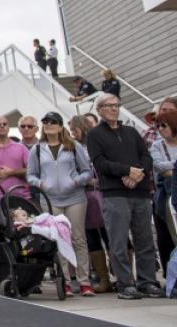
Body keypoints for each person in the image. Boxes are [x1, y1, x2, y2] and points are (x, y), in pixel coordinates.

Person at [86, 93, 163, 299]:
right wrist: (127, 171)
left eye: (116, 105)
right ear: (99, 110)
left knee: (145, 240)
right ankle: (125, 283)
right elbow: (100, 162)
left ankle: (148, 281)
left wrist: (138, 173)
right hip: (114, 193)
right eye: (108, 105)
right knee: (118, 242)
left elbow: (146, 157)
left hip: (140, 191)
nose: (114, 108)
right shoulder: (94, 134)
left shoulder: (131, 131)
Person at [26, 112, 93, 297]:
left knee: (78, 238)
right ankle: (65, 281)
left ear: (61, 125)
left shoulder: (73, 146)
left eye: (53, 122)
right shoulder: (37, 149)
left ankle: (84, 281)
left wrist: (75, 181)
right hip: (51, 199)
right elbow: (30, 175)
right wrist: (41, 183)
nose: (49, 124)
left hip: (75, 197)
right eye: (45, 122)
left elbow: (87, 171)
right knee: (60, 239)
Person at [69, 114, 112, 294]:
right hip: (84, 194)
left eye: (74, 129)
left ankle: (122, 276)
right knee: (92, 238)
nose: (73, 133)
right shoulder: (72, 148)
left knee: (112, 236)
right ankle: (104, 279)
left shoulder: (98, 143)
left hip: (105, 193)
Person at [150, 108, 177, 282]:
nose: (160, 129)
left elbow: (168, 169)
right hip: (168, 195)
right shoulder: (156, 145)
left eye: (164, 125)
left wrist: (172, 168)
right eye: (158, 126)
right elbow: (159, 167)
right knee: (172, 235)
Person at [0, 115, 31, 201]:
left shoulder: (21, 148)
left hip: (23, 197)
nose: (2, 126)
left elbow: (31, 171)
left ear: (9, 127)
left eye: (5, 124)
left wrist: (11, 172)